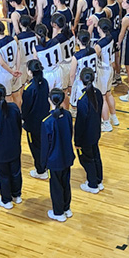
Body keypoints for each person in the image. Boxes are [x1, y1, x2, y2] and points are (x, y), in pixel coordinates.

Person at [40, 88, 75, 222]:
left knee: (56, 186)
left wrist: (43, 163)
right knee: (66, 182)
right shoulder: (66, 115)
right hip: (66, 156)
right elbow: (70, 133)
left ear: (50, 100)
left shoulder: (47, 122)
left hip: (54, 160)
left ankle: (59, 212)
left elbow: (45, 146)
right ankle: (66, 208)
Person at [22, 59, 51, 180]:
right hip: (44, 119)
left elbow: (25, 107)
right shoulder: (44, 82)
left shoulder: (29, 88)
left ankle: (40, 170)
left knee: (35, 146)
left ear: (30, 72)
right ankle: (46, 165)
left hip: (32, 123)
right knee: (44, 143)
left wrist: (23, 119)